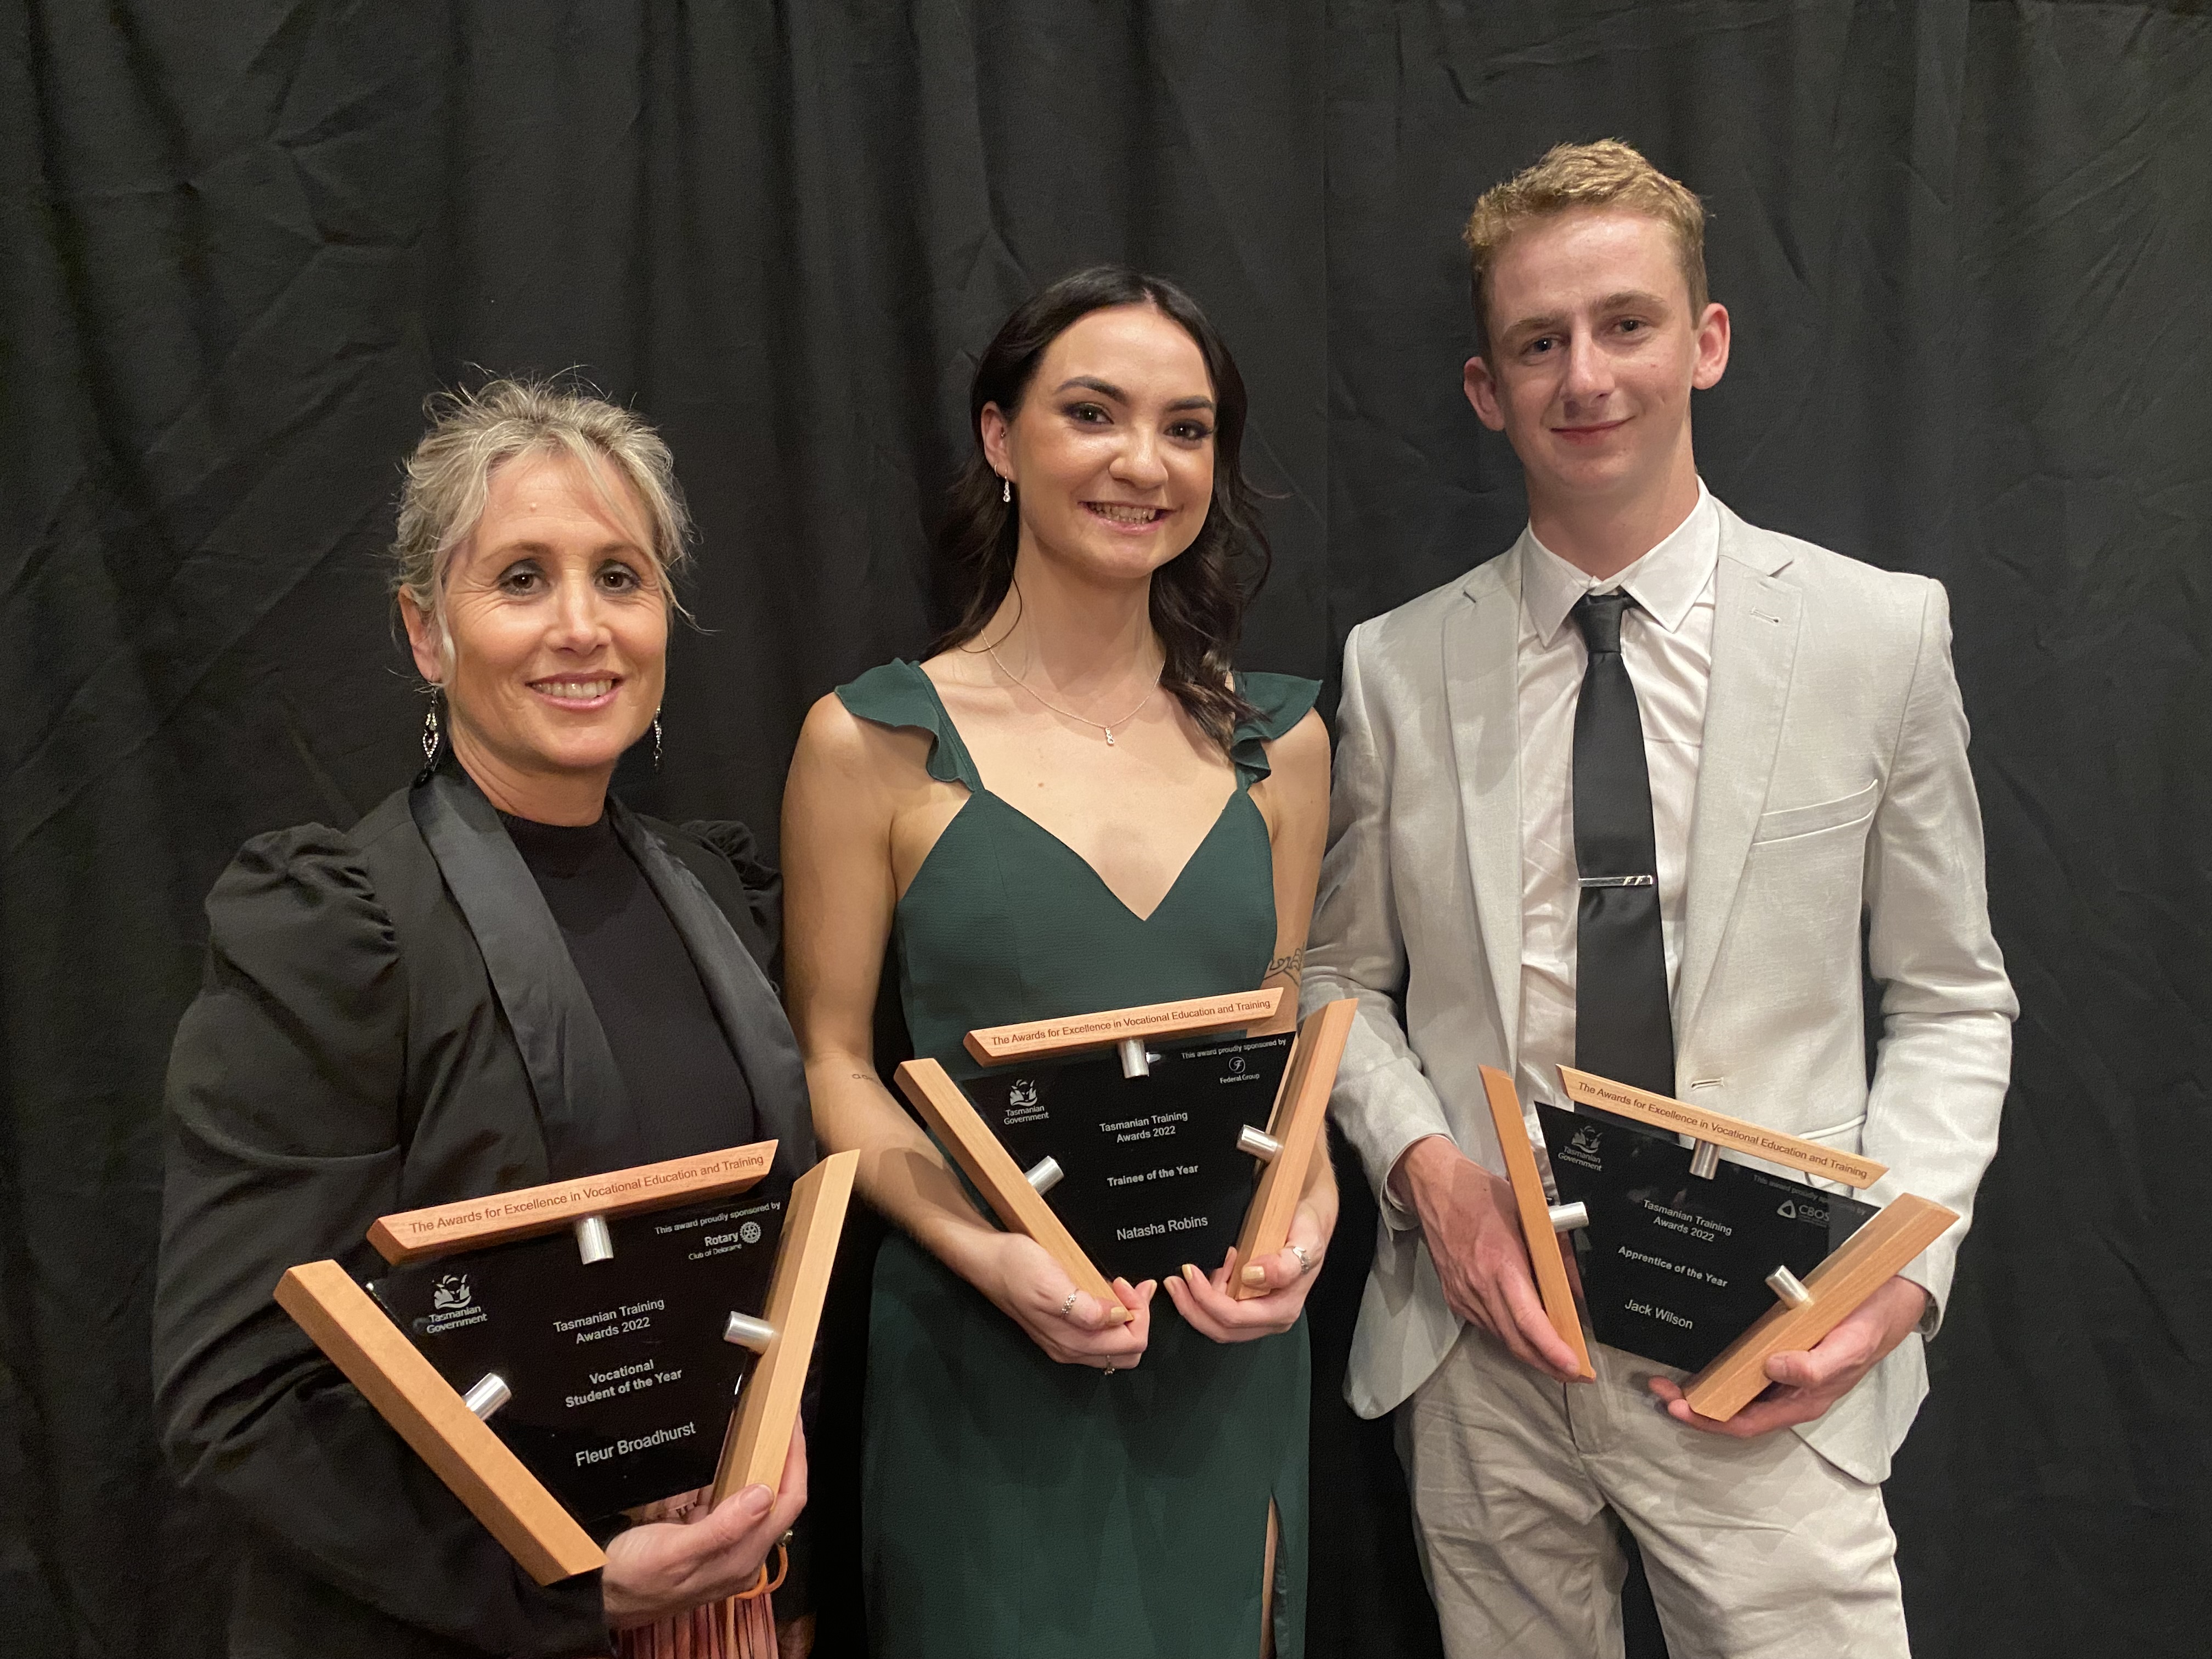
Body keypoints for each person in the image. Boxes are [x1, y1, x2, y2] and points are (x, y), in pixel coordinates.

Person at [1308, 141, 2018, 1658]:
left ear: (1707, 341)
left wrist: (1894, 1285)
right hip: (1488, 1356)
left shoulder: (1875, 637)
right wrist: (1428, 1172)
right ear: (1485, 388)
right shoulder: (1393, 666)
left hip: (1770, 1348)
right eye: (1537, 342)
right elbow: (1337, 982)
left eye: (1626, 324)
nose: (1587, 376)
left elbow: (1955, 998)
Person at [155, 380, 817, 1659]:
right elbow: (242, 1399)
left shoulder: (714, 898)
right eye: (521, 578)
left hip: (723, 1617)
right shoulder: (335, 931)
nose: (583, 626)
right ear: (425, 631)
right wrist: (575, 1584)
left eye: (620, 578)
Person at [781, 267, 1334, 1657]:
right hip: (986, 1360)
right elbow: (836, 1067)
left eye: (1188, 427)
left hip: (1223, 1365)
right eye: (1093, 413)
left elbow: (1284, 1044)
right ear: (998, 436)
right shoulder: (871, 744)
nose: (1144, 463)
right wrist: (985, 1255)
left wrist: (1308, 1226)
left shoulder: (1281, 744)